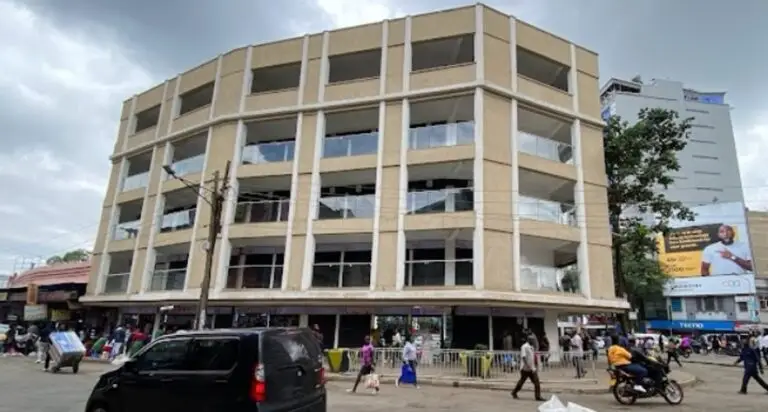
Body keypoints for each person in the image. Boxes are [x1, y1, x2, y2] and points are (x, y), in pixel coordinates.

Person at [510, 336, 545, 401]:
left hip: (532, 368)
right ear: (529, 340)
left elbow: (532, 357)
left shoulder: (532, 347)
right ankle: (514, 392)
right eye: (533, 340)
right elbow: (523, 357)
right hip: (525, 368)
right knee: (521, 382)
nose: (534, 341)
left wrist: (535, 365)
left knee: (536, 382)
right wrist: (527, 365)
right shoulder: (524, 347)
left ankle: (538, 396)